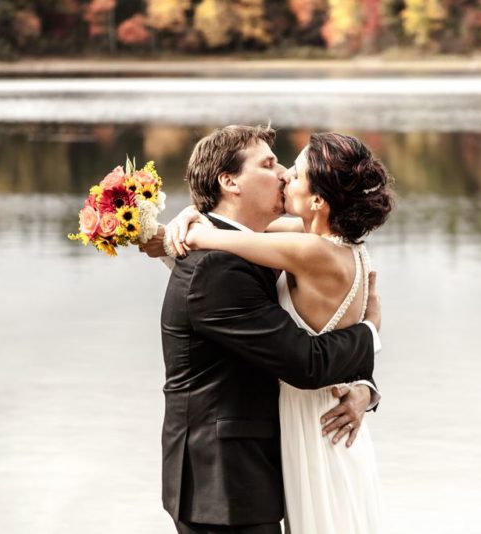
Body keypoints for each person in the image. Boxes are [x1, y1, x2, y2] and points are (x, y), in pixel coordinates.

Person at [147, 125, 383, 534]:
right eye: (269, 164)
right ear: (230, 181)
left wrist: (364, 386)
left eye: (286, 166)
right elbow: (306, 362)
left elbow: (316, 332)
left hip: (273, 461)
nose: (284, 174)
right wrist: (371, 331)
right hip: (224, 483)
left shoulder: (263, 246)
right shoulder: (217, 267)